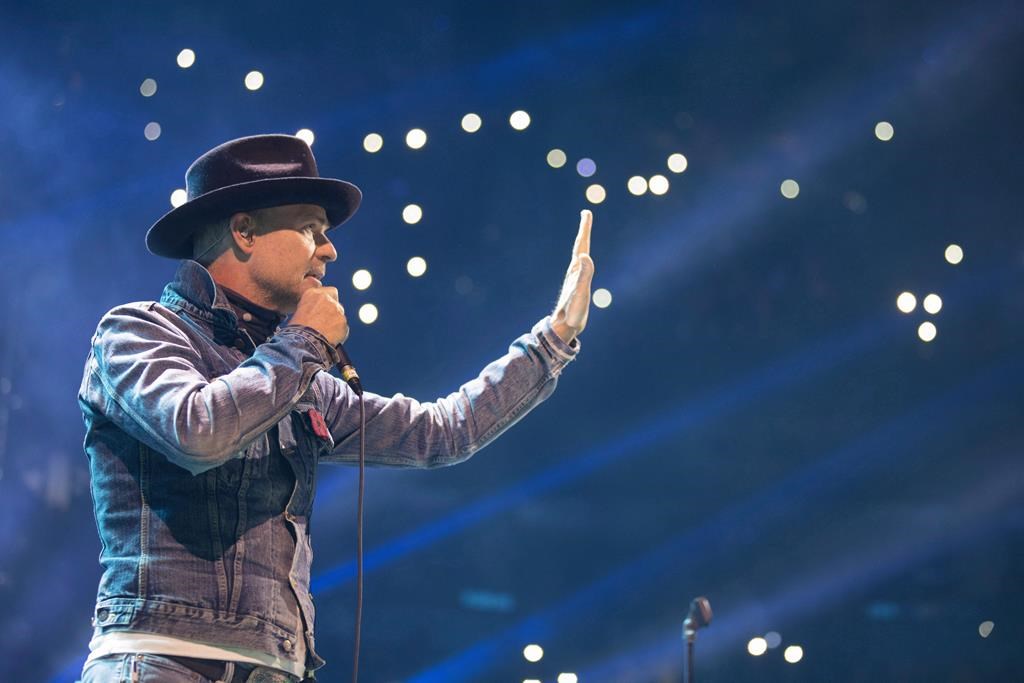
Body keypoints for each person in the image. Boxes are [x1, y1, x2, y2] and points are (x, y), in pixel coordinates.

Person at [79, 134, 594, 682]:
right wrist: (303, 339)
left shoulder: (298, 377)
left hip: (277, 667)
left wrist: (553, 340)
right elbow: (199, 431)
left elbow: (442, 432)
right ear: (244, 230)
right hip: (162, 660)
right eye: (310, 229)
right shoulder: (137, 332)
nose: (330, 251)